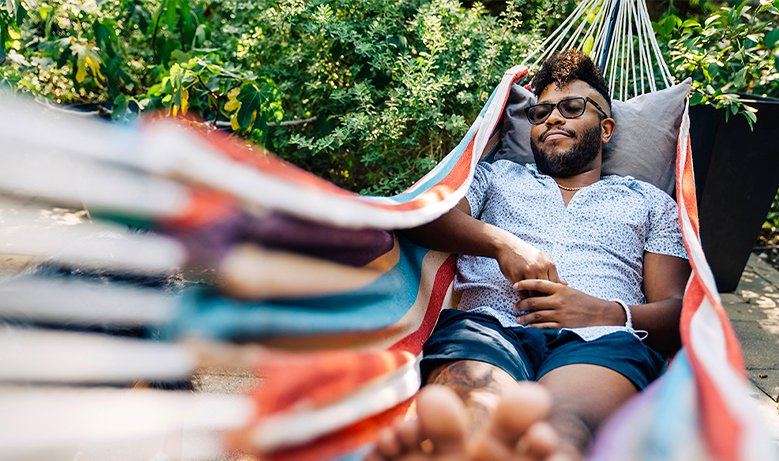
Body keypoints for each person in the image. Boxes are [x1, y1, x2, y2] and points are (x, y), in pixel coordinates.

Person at [365, 49, 691, 461]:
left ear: (606, 128)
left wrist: (604, 313)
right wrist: (503, 244)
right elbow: (424, 216)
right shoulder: (496, 176)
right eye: (540, 113)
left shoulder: (649, 202)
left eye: (572, 107)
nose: (553, 118)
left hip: (599, 341)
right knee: (472, 416)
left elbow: (679, 311)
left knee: (564, 431)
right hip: (488, 327)